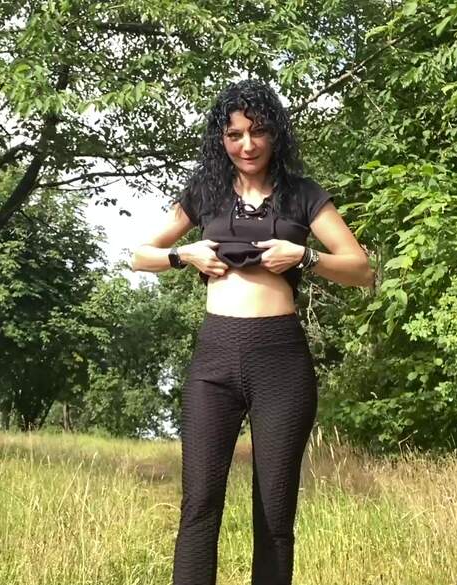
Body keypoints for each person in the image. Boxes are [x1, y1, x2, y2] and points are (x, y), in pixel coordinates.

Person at [129, 79, 374, 585]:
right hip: (215, 357)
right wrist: (184, 255)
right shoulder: (205, 193)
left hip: (280, 361)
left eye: (257, 132)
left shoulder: (303, 195)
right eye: (234, 134)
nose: (247, 145)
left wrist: (304, 256)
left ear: (275, 134)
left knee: (274, 513)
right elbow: (139, 255)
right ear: (221, 138)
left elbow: (362, 270)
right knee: (199, 506)